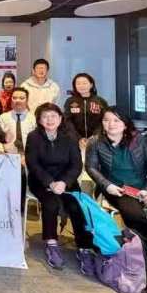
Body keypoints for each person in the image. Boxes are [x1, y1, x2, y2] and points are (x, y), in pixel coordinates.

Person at [85, 107, 147, 277]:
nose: (111, 124)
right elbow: (91, 167)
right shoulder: (95, 142)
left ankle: (138, 241)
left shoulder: (140, 140)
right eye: (106, 120)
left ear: (125, 124)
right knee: (134, 215)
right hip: (118, 190)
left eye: (116, 120)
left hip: (146, 188)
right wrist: (107, 185)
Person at [25, 102, 94, 272]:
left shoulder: (69, 137)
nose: (49, 120)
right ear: (39, 120)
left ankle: (84, 248)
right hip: (41, 181)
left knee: (77, 206)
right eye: (45, 117)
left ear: (60, 118)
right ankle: (51, 243)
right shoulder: (33, 137)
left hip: (66, 181)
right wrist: (50, 182)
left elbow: (76, 165)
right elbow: (33, 164)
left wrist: (64, 182)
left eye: (53, 116)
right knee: (51, 204)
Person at [0, 87, 35, 205]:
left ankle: (21, 206)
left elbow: (38, 142)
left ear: (27, 100)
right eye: (14, 98)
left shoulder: (33, 118)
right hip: (8, 157)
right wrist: (1, 152)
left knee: (24, 174)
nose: (18, 100)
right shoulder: (3, 117)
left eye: (21, 98)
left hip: (28, 158)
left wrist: (27, 157)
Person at [64, 72, 108, 147]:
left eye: (84, 83)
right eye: (78, 83)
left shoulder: (100, 101)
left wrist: (95, 136)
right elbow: (67, 121)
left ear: (91, 85)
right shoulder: (70, 101)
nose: (81, 86)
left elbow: (105, 120)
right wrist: (78, 138)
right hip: (75, 141)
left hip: (97, 140)